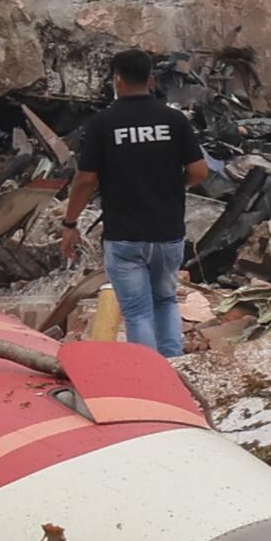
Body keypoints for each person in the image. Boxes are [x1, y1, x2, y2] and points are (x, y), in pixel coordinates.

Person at [60, 48, 209, 357]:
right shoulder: (174, 120)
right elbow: (199, 171)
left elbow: (86, 180)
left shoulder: (103, 123)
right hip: (168, 233)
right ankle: (173, 368)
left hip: (125, 236)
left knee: (138, 312)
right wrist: (173, 186)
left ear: (117, 79)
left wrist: (70, 223)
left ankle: (150, 376)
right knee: (165, 301)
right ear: (151, 80)